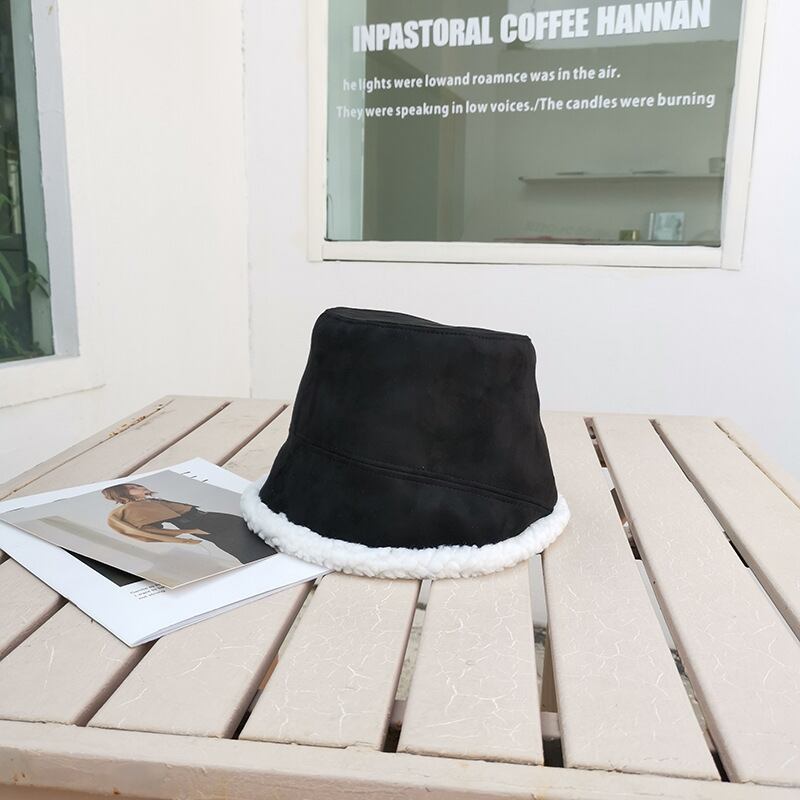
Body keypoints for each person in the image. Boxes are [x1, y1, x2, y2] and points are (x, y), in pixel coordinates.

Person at [101, 483, 275, 564]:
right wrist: (181, 532)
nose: (140, 487)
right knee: (246, 548)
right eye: (132, 488)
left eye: (136, 485)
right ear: (121, 494)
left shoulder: (147, 502)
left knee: (253, 540)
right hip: (205, 525)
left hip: (210, 519)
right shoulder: (133, 508)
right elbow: (149, 527)